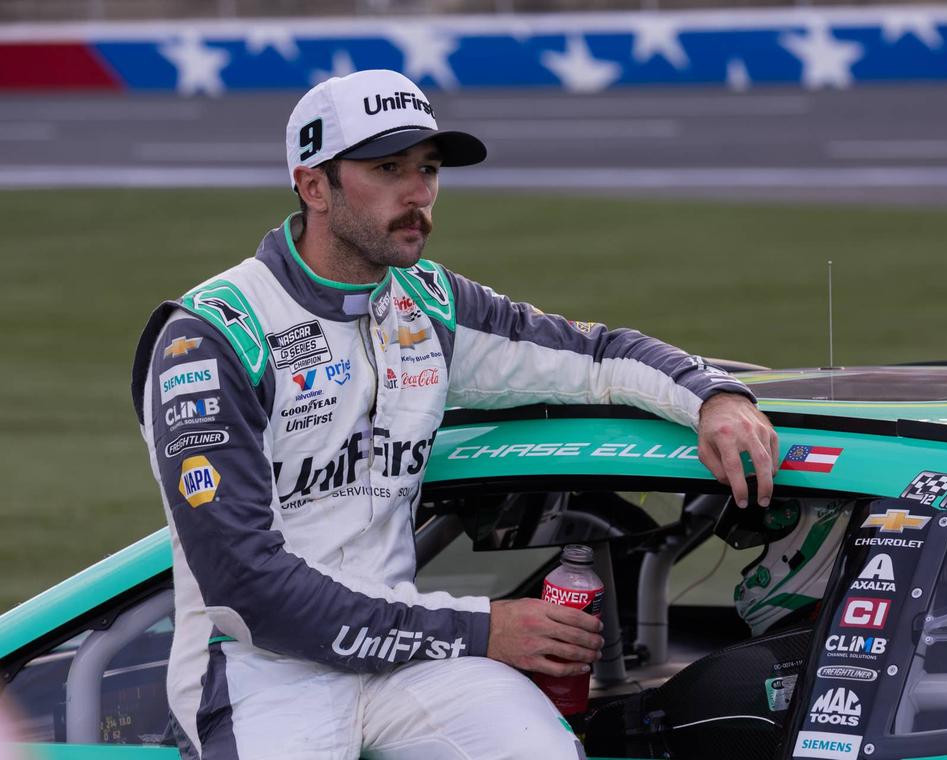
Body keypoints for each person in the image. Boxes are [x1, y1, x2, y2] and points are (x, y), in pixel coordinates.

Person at [131, 69, 778, 760]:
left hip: (405, 663)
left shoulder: (428, 303)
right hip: (261, 672)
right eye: (388, 168)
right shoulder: (213, 338)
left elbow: (597, 355)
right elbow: (247, 590)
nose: (419, 195)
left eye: (429, 168)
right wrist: (483, 629)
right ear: (314, 185)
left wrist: (715, 396)